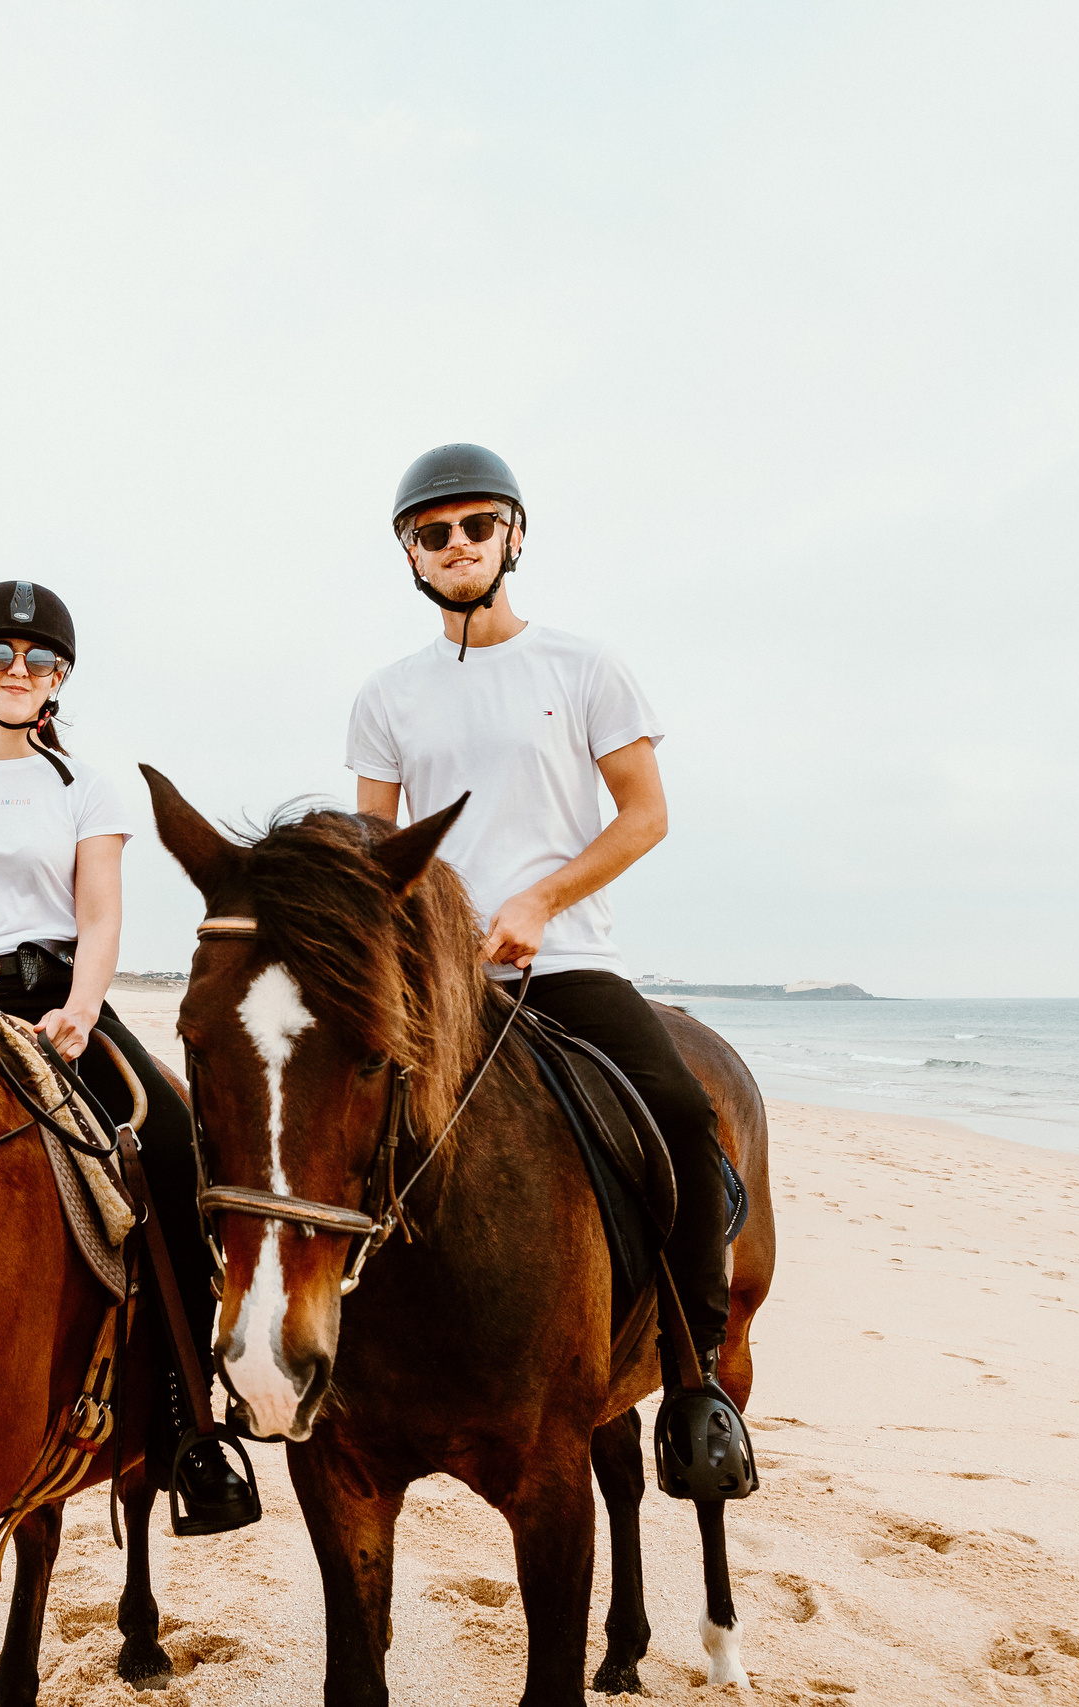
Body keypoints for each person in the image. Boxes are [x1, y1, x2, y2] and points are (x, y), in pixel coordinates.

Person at [345, 443, 743, 1427]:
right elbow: (376, 848)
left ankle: (695, 1385)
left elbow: (645, 815)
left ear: (511, 536)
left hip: (565, 963)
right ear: (412, 556)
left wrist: (538, 903)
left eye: (475, 526)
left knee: (680, 1120)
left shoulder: (584, 665)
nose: (455, 545)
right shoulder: (385, 695)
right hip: (441, 979)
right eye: (432, 534)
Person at [0, 579, 260, 1536]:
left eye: (38, 661)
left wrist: (84, 1010)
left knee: (172, 1144)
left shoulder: (87, 784)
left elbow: (97, 913)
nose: (18, 673)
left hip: (58, 1001)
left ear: (60, 680)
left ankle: (188, 1424)